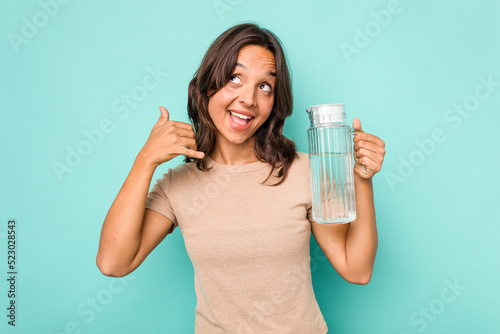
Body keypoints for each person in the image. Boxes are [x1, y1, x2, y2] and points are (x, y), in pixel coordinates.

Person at [96, 23, 385, 333]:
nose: (248, 99)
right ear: (207, 86)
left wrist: (363, 178)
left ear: (275, 101)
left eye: (265, 87)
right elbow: (114, 263)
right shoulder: (177, 185)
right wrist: (145, 161)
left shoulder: (305, 171)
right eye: (235, 78)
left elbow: (357, 269)